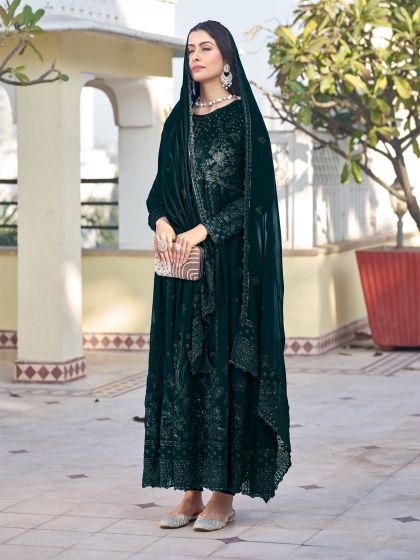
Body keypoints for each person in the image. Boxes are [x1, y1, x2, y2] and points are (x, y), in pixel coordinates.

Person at [142, 20, 292, 531]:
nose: (196, 56)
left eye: (206, 48)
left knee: (223, 374)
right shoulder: (176, 123)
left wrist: (205, 229)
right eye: (190, 50)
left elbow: (256, 199)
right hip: (180, 274)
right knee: (183, 374)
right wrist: (163, 222)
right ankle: (190, 491)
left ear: (226, 57)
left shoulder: (244, 119)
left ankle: (223, 495)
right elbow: (158, 192)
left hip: (229, 272)